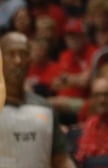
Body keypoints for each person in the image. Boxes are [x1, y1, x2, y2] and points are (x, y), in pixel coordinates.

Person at [0, 31, 74, 168]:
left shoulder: (45, 107)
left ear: (30, 60)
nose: (18, 61)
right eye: (11, 54)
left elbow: (61, 160)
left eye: (23, 54)